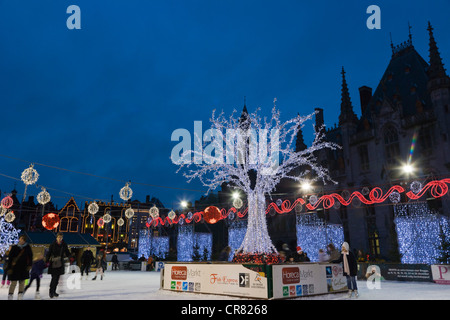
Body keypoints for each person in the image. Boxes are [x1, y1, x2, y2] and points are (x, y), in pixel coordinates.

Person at [7, 235, 33, 300]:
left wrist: (30, 265)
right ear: (19, 239)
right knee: (13, 282)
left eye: (23, 239)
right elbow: (10, 258)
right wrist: (9, 267)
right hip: (15, 268)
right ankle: (10, 295)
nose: (22, 240)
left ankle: (20, 294)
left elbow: (30, 257)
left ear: (25, 240)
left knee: (22, 282)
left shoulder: (27, 247)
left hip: (23, 267)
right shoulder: (14, 247)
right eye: (21, 239)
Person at [46, 232, 71, 298]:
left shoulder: (64, 244)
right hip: (54, 263)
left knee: (57, 279)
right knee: (54, 278)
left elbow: (67, 251)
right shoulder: (53, 244)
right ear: (56, 237)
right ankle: (51, 292)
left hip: (60, 263)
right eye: (59, 237)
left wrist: (70, 256)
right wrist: (47, 260)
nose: (60, 239)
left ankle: (54, 292)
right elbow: (49, 253)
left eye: (61, 237)